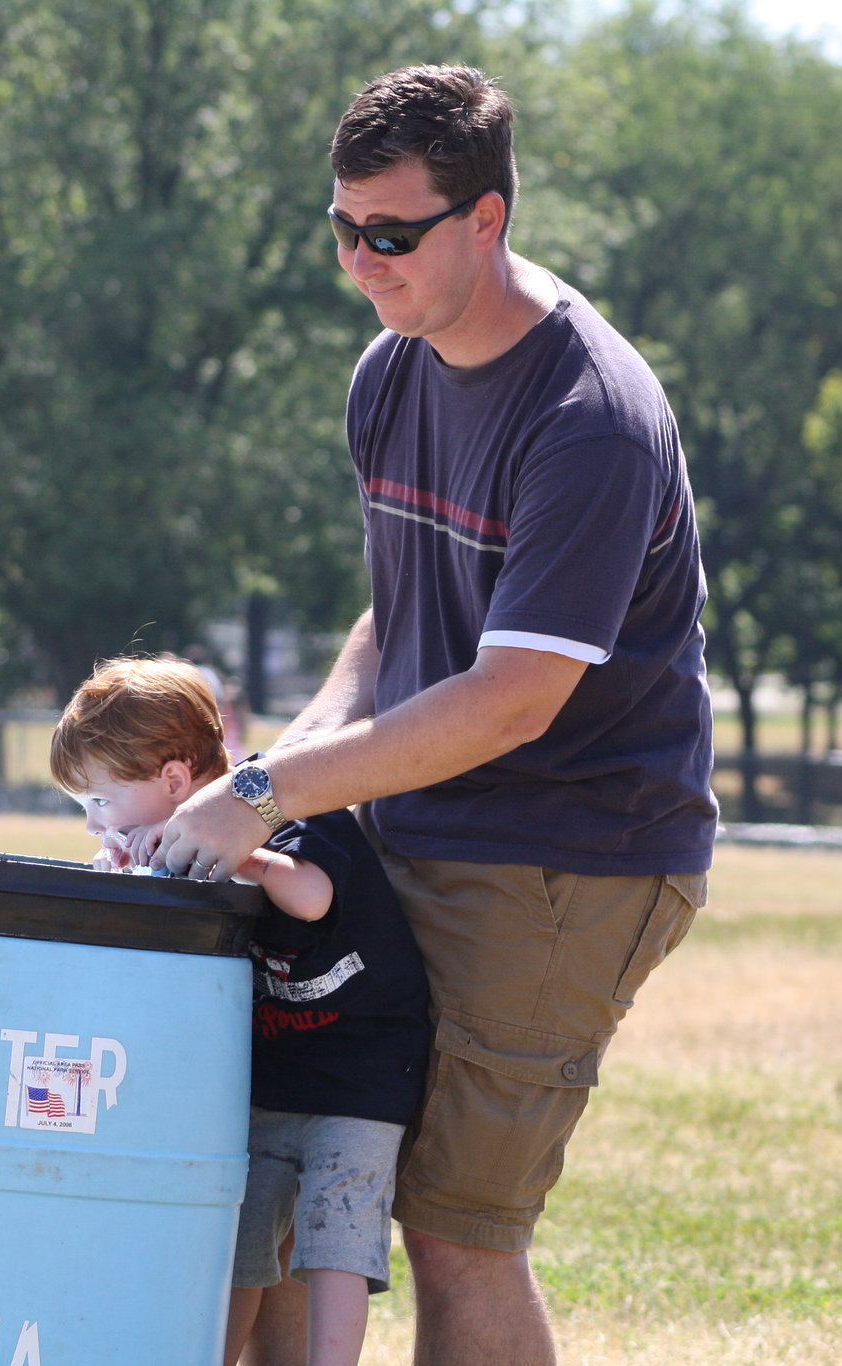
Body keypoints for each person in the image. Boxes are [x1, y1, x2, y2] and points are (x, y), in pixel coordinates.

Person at [157, 66, 715, 1366]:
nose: (362, 263)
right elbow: (398, 617)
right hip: (426, 818)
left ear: (487, 219)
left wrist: (262, 796)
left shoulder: (591, 421)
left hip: (568, 849)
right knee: (306, 1164)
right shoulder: (391, 370)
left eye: (393, 234)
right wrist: (280, 767)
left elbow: (514, 696)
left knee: (460, 1222)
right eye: (343, 228)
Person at [49, 658, 430, 1366]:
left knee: (336, 1242)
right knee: (239, 1237)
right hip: (275, 1076)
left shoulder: (285, 797)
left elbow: (313, 897)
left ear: (172, 781)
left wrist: (248, 855)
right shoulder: (174, 849)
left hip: (366, 1070)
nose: (95, 820)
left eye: (103, 801)